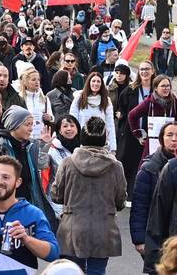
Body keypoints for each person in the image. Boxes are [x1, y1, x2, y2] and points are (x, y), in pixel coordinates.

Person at [52, 116, 127, 274]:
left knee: (71, 270)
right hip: (103, 228)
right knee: (97, 271)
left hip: (72, 229)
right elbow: (120, 202)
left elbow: (57, 196)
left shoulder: (68, 163)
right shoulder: (115, 166)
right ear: (104, 137)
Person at [0, 105, 56, 227]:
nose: (31, 128)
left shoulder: (30, 147)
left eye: (32, 124)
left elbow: (42, 164)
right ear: (14, 125)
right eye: (27, 124)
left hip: (29, 211)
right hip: (4, 214)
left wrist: (44, 145)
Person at [130, 121, 177, 269]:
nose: (174, 139)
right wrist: (139, 239)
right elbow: (140, 206)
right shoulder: (149, 168)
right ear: (161, 139)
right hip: (157, 236)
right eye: (170, 135)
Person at [117, 61, 156, 206]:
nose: (144, 72)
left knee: (145, 165)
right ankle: (126, 195)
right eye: (141, 69)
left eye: (147, 69)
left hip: (151, 135)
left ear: (152, 71)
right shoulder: (130, 90)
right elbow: (123, 110)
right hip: (131, 134)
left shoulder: (157, 90)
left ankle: (143, 195)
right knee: (128, 163)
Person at [69, 72, 117, 152]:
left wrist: (112, 148)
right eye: (93, 81)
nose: (96, 83)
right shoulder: (79, 98)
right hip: (81, 143)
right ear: (89, 82)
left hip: (100, 144)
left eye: (98, 81)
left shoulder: (106, 101)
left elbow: (110, 125)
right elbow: (72, 121)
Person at [46, 114, 81, 219]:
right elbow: (42, 164)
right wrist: (44, 145)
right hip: (59, 199)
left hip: (79, 198)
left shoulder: (83, 148)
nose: (69, 129)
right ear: (60, 130)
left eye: (72, 125)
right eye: (65, 126)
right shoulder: (53, 148)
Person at [18, 67, 54, 139]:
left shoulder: (45, 99)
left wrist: (49, 117)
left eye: (38, 79)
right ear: (25, 82)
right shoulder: (20, 98)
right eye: (33, 80)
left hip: (42, 137)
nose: (37, 82)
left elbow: (52, 117)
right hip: (25, 137)